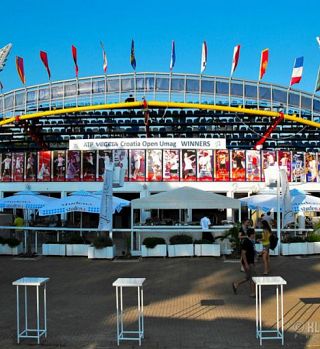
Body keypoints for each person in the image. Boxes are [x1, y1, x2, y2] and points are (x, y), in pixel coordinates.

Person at [232, 228, 256, 297]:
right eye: (254, 233)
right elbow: (243, 253)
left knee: (248, 277)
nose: (255, 234)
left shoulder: (250, 241)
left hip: (251, 262)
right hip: (248, 262)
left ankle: (236, 284)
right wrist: (246, 264)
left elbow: (251, 252)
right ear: (251, 234)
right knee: (253, 277)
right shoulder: (246, 242)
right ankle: (252, 293)